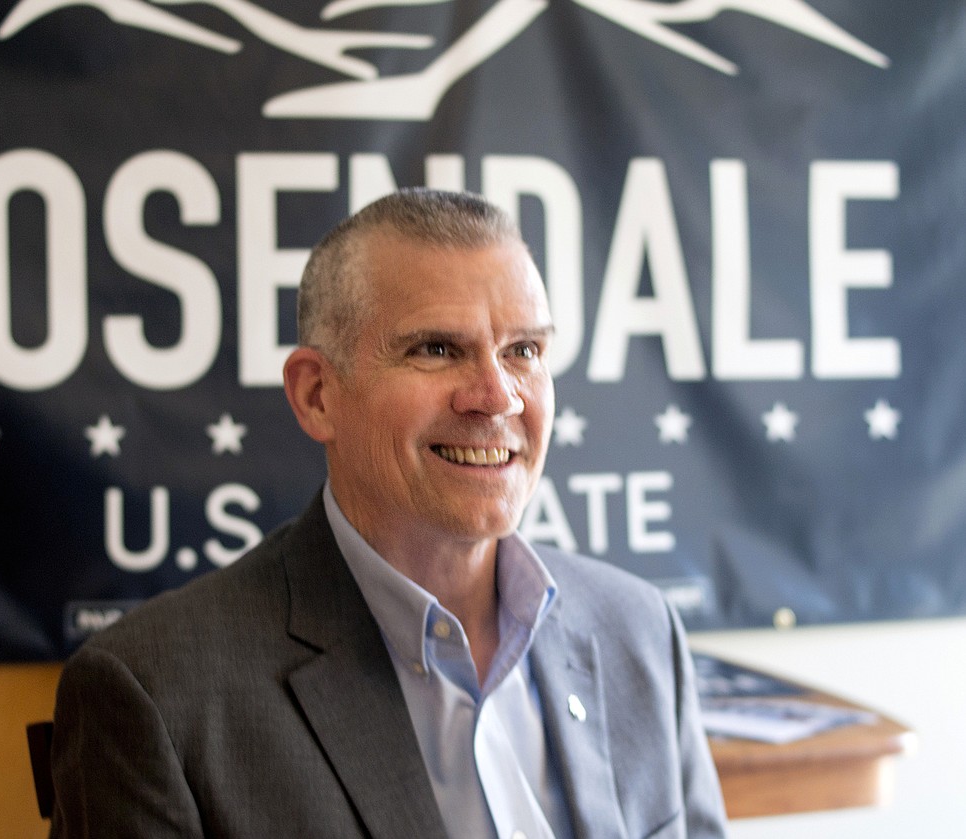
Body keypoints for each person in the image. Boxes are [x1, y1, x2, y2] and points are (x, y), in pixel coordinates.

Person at [48, 188, 729, 838]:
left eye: (524, 350)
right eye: (436, 348)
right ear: (317, 395)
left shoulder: (639, 631)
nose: (497, 396)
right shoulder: (157, 695)